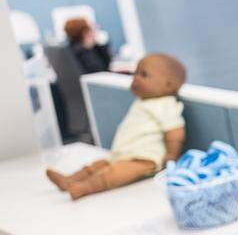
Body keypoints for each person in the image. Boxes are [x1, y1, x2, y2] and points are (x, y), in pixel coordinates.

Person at [46, 54, 186, 199]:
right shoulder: (144, 102)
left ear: (168, 85)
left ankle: (85, 188)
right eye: (135, 73)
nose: (136, 78)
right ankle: (70, 179)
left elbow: (175, 132)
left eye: (144, 75)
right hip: (123, 153)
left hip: (144, 158)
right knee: (96, 165)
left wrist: (171, 157)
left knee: (114, 173)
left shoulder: (166, 105)